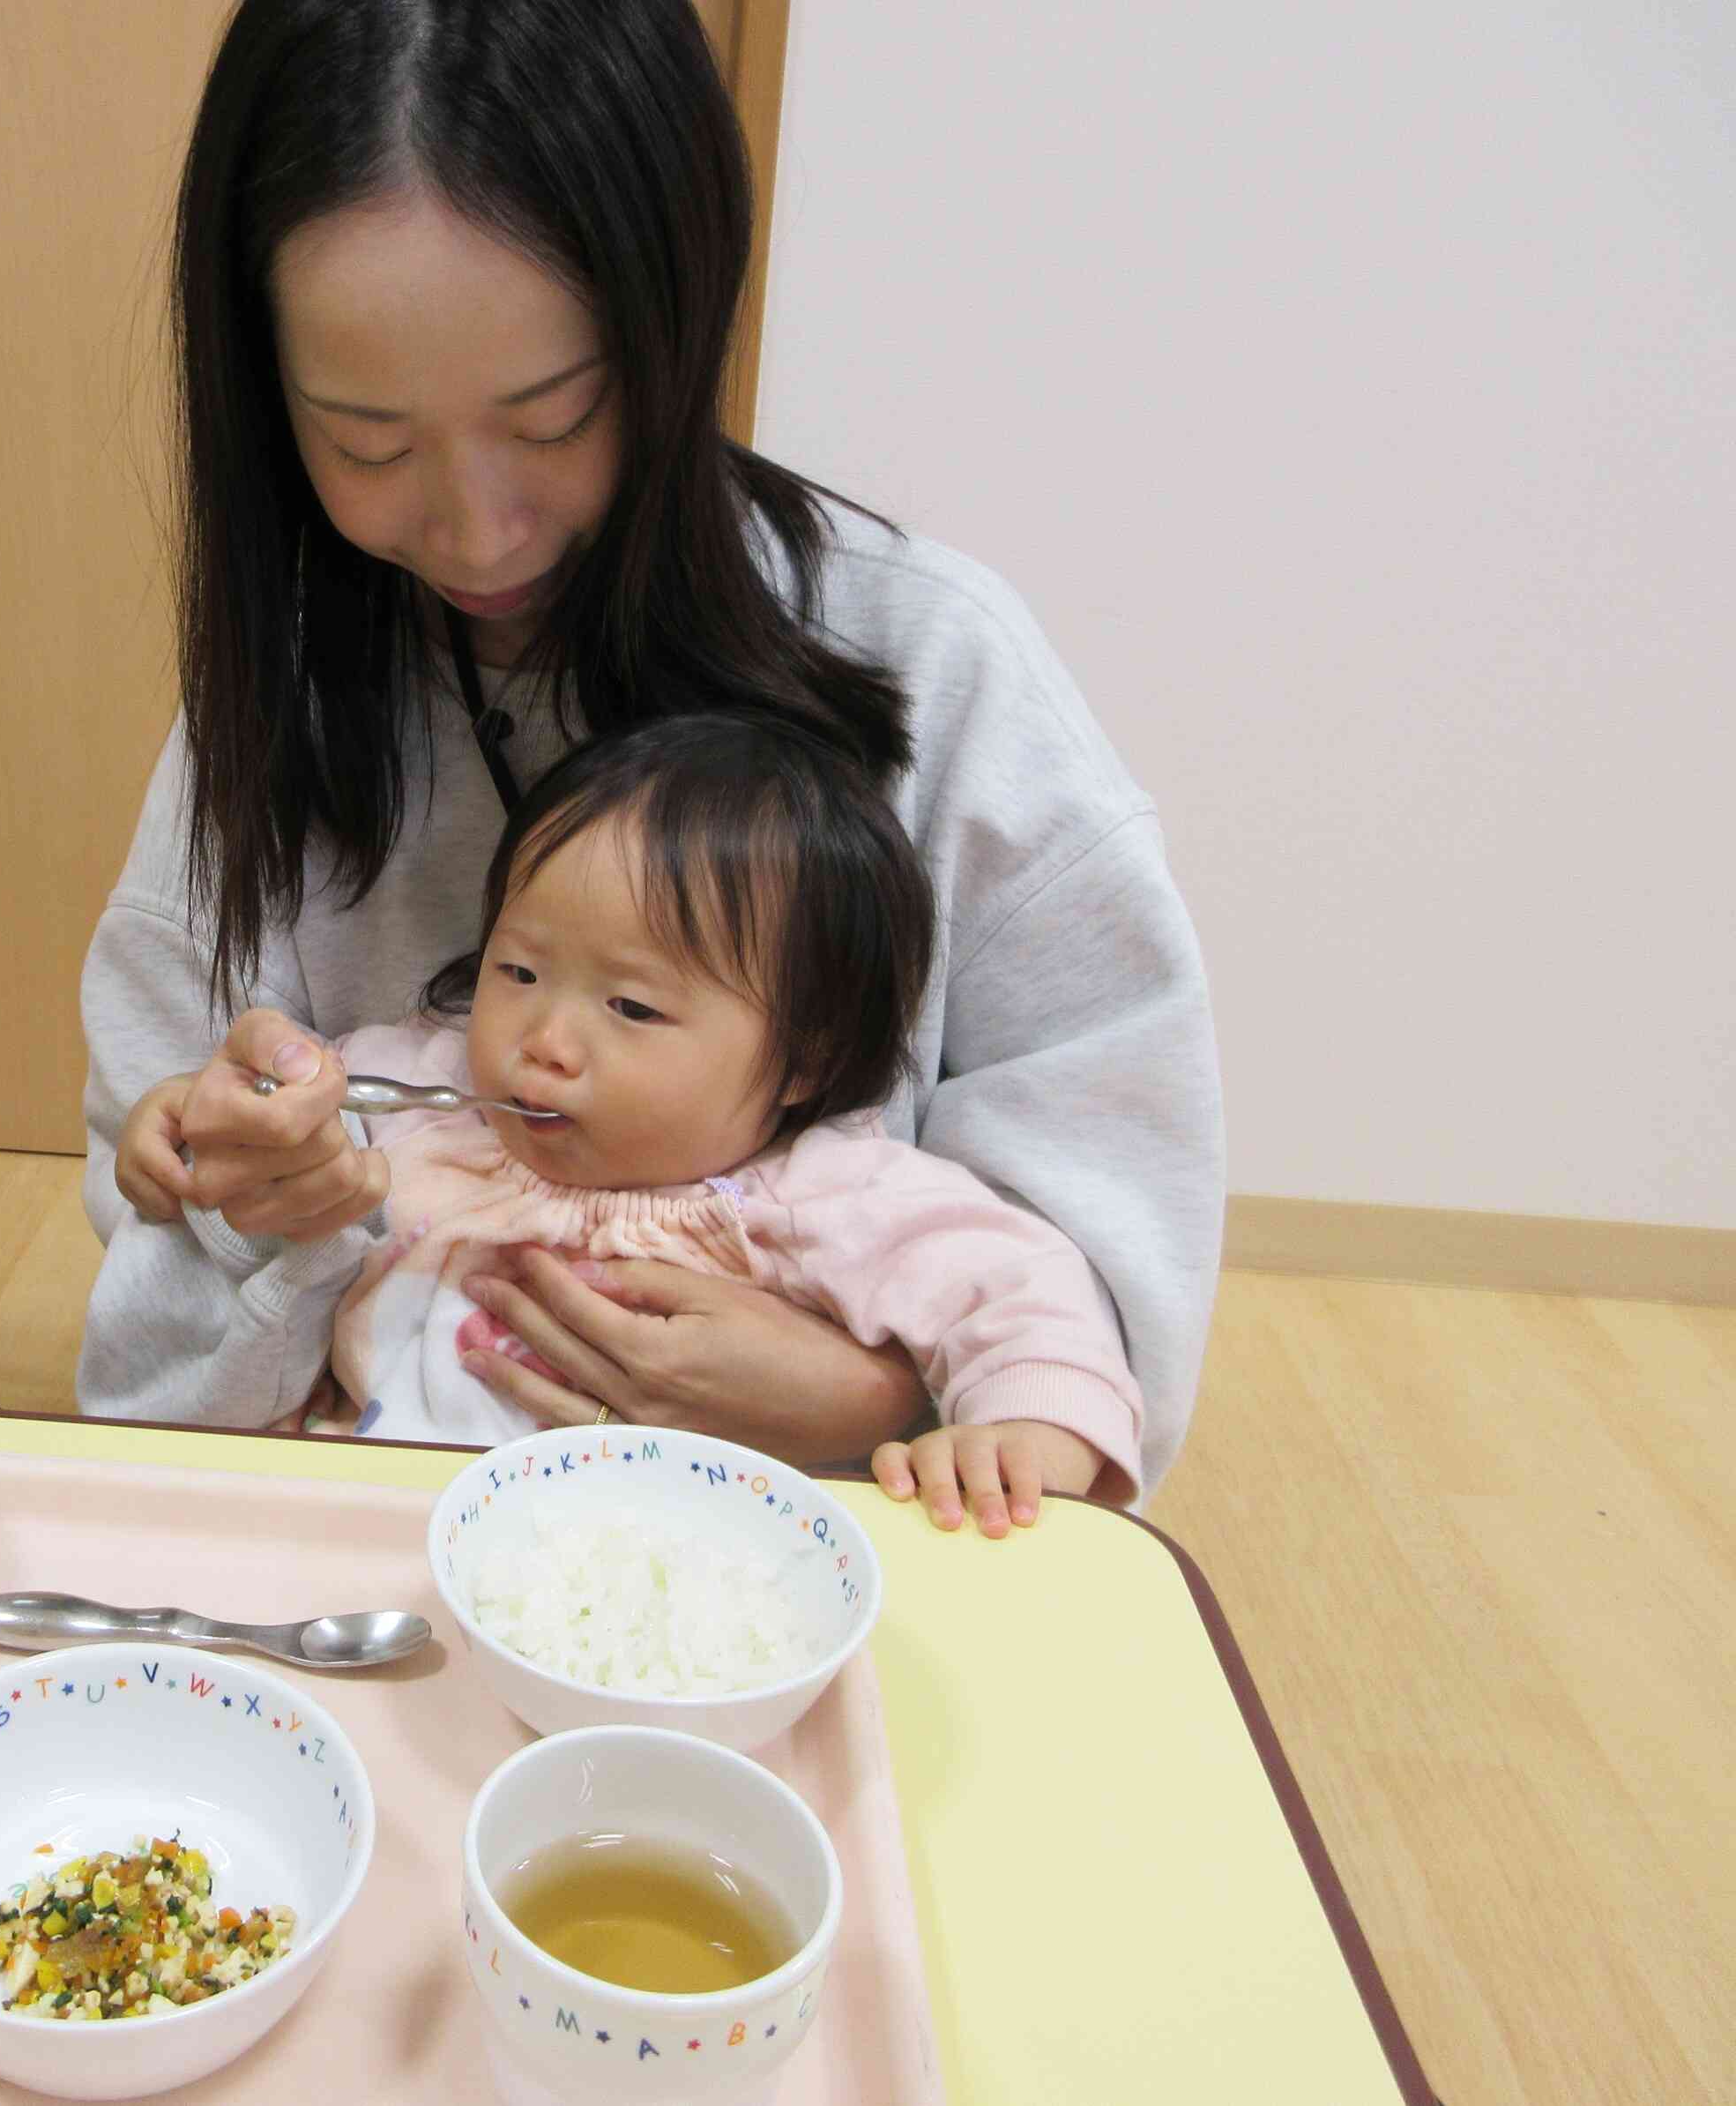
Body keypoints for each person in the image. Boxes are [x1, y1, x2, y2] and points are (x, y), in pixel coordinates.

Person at [78, 0, 1224, 1518]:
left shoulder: (929, 663)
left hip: (826, 1551)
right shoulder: (275, 715)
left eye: (548, 417)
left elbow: (1089, 1286)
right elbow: (155, 1272)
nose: (475, 529)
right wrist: (238, 1199)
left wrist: (860, 1400)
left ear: (672, 326)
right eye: (366, 443)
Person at [89, 713, 1149, 1527]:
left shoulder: (827, 1196)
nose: (544, 1039)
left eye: (632, 1007)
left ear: (805, 1057)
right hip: (360, 1528)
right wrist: (192, 1126)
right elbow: (275, 1122)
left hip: (669, 1576)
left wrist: (1022, 1444)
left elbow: (1025, 1297)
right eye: (518, 970)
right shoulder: (419, 1095)